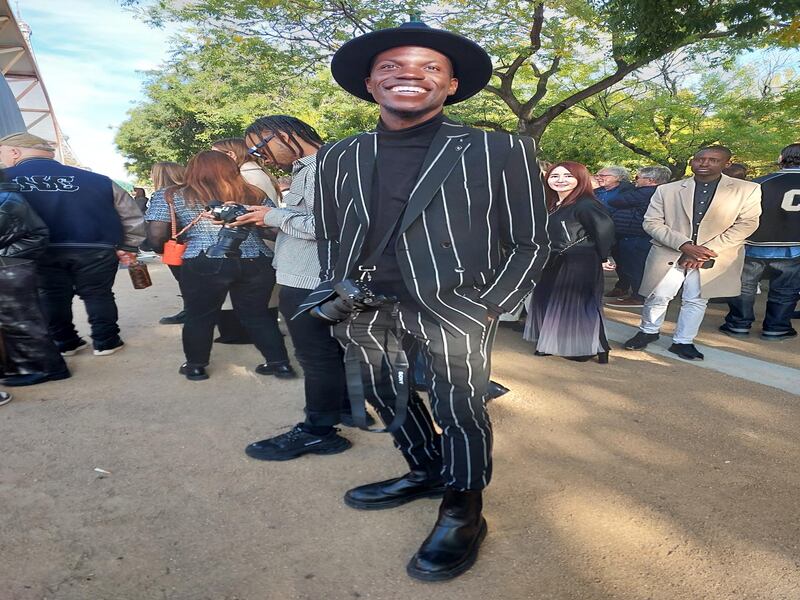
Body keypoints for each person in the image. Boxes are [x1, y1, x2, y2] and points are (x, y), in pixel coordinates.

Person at [299, 21, 549, 581]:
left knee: (459, 405)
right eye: (390, 66)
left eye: (428, 67)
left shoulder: (498, 148)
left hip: (454, 302)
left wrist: (489, 304)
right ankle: (426, 468)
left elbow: (534, 238)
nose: (408, 74)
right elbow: (330, 229)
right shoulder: (339, 155)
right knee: (386, 396)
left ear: (451, 85)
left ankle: (463, 507)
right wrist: (333, 285)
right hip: (362, 303)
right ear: (370, 84)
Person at [231, 115, 354, 460]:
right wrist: (264, 216)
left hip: (311, 280)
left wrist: (271, 216)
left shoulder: (323, 168)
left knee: (315, 357)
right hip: (308, 276)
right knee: (330, 353)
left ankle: (319, 432)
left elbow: (333, 226)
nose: (259, 156)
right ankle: (343, 409)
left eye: (260, 146)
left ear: (284, 134)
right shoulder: (311, 167)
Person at [144, 151, 293, 381]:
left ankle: (195, 366)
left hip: (203, 259)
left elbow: (156, 237)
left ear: (192, 169)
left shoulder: (171, 194)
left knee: (199, 316)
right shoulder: (254, 193)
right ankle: (280, 364)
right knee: (258, 315)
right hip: (256, 260)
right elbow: (273, 229)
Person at [0, 132, 144, 356]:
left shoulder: (5, 179)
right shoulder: (99, 181)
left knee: (51, 295)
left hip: (38, 251)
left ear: (14, 151)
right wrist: (129, 246)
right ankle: (106, 341)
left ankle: (66, 342)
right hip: (96, 248)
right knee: (98, 294)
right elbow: (130, 215)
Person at [624, 146, 762, 360]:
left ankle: (683, 341)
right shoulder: (667, 190)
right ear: (692, 162)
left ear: (727, 163)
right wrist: (685, 246)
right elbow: (651, 223)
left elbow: (746, 224)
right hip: (669, 251)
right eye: (700, 159)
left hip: (714, 254)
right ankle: (648, 331)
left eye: (713, 160)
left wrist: (704, 252)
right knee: (658, 294)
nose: (704, 163)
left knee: (696, 299)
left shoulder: (747, 190)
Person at [524, 162, 615, 362]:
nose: (560, 180)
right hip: (553, 258)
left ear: (579, 178)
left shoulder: (587, 204)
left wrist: (603, 257)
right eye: (555, 176)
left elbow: (604, 231)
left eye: (567, 176)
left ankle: (585, 347)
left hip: (579, 260)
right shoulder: (552, 203)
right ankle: (552, 341)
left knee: (576, 304)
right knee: (550, 300)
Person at [721, 143, 800, 340]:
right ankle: (777, 327)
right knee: (785, 290)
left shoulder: (758, 183)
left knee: (744, 286)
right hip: (795, 247)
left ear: (781, 159)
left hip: (754, 244)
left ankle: (738, 324)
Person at [0, 172, 70, 386]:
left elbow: (36, 235)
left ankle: (47, 368)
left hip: (11, 267)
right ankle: (27, 367)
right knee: (16, 321)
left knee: (20, 320)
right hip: (12, 265)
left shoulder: (5, 199)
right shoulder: (6, 197)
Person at [605, 165, 673, 308]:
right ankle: (630, 291)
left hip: (636, 234)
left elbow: (616, 201)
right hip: (634, 233)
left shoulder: (646, 192)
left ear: (651, 180)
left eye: (638, 177)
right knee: (631, 266)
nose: (635, 181)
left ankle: (638, 297)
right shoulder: (661, 192)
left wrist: (625, 188)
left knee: (635, 266)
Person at [150, 162, 188, 325]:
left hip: (178, 247)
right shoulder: (195, 192)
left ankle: (190, 312)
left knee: (186, 282)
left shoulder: (164, 194)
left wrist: (158, 248)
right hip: (202, 244)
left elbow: (157, 231)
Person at [595, 166, 636, 298]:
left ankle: (625, 287)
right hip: (598, 230)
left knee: (624, 261)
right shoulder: (596, 192)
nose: (599, 178)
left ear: (617, 178)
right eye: (598, 175)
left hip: (620, 230)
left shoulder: (629, 191)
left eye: (603, 176)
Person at [210, 138, 282, 204]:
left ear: (231, 154)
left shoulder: (244, 177)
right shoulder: (257, 172)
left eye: (214, 155)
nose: (210, 160)